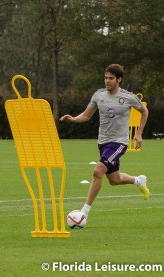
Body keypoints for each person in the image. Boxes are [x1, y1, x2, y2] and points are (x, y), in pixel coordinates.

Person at [60, 64, 150, 219]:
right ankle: (138, 180)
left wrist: (139, 134)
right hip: (103, 142)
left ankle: (84, 212)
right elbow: (87, 116)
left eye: (111, 78)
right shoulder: (98, 95)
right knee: (114, 180)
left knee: (97, 171)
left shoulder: (128, 97)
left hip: (119, 142)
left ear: (119, 79)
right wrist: (74, 119)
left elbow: (144, 111)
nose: (107, 81)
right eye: (106, 77)